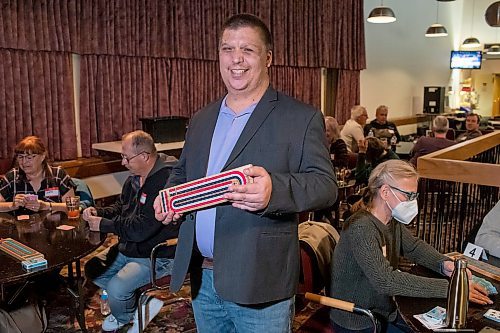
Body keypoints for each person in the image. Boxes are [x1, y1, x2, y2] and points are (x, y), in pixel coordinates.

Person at [154, 14, 337, 332]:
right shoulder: (201, 118)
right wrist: (170, 198)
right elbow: (183, 171)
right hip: (202, 278)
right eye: (228, 49)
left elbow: (325, 186)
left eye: (247, 50)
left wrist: (275, 190)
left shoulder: (301, 118)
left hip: (261, 284)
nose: (236, 59)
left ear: (268, 57)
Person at [329, 160, 492, 333]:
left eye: (415, 196)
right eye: (409, 195)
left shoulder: (390, 220)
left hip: (383, 310)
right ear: (385, 192)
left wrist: (444, 264)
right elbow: (386, 281)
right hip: (359, 320)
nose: (413, 202)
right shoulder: (361, 227)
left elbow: (414, 247)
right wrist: (451, 288)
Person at [83, 130, 179, 332]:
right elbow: (120, 207)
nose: (122, 162)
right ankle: (140, 309)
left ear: (144, 156)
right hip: (131, 247)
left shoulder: (165, 182)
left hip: (158, 254)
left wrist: (104, 225)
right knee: (92, 269)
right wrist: (98, 212)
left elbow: (141, 229)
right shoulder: (135, 178)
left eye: (126, 157)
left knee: (117, 289)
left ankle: (125, 317)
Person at [0, 136, 75, 213]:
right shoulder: (12, 176)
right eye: (20, 157)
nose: (24, 162)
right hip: (21, 224)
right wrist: (12, 206)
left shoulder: (58, 175)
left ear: (42, 157)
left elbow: (73, 206)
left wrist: (46, 206)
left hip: (55, 224)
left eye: (29, 157)